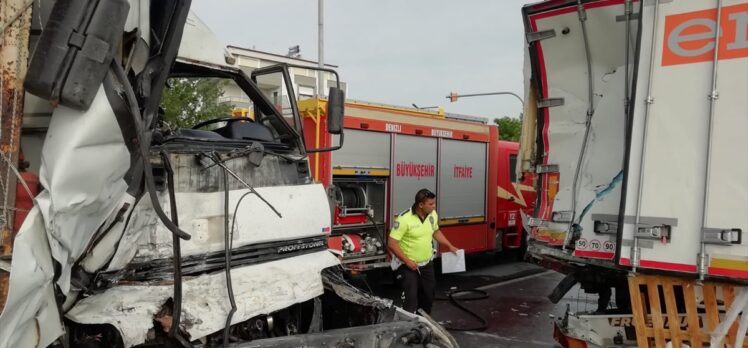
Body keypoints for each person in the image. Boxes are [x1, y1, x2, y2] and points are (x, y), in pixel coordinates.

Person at [388, 188, 459, 314]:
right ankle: (408, 328)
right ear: (421, 205)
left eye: (434, 203)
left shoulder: (432, 215)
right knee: (411, 299)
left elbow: (435, 231)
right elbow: (392, 244)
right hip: (407, 265)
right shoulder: (404, 219)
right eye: (431, 204)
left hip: (426, 264)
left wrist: (449, 245)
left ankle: (424, 326)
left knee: (428, 297)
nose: (434, 206)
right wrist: (407, 261)